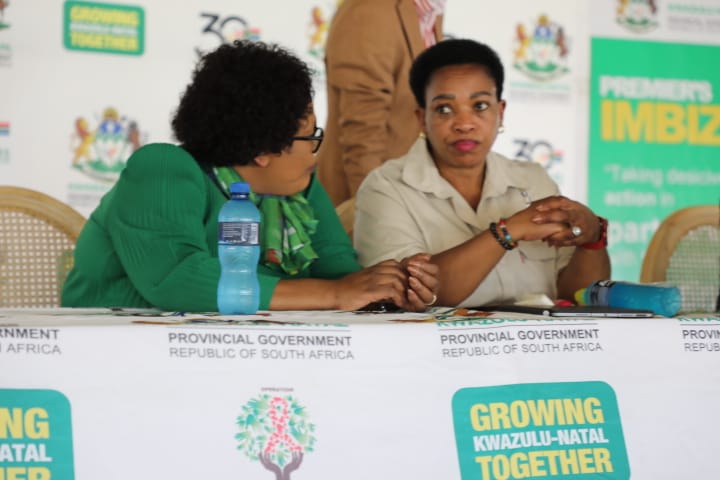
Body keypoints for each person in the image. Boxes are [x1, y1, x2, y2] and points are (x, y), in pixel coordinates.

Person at [61, 40, 438, 312]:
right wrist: (336, 295)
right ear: (263, 149)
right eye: (309, 136)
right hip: (117, 360)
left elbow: (338, 272)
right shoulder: (162, 168)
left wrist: (390, 290)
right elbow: (176, 278)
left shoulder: (299, 188)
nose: (314, 151)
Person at [354, 39, 611, 307]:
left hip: (536, 344)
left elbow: (578, 297)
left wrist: (592, 239)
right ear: (422, 118)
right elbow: (409, 293)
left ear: (500, 112)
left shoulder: (533, 180)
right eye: (444, 109)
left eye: (479, 106)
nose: (464, 124)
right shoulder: (386, 187)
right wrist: (508, 231)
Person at [317, 0, 445, 206]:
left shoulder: (431, 12)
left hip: (408, 195)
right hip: (360, 202)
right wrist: (374, 213)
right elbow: (362, 134)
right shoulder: (370, 12)